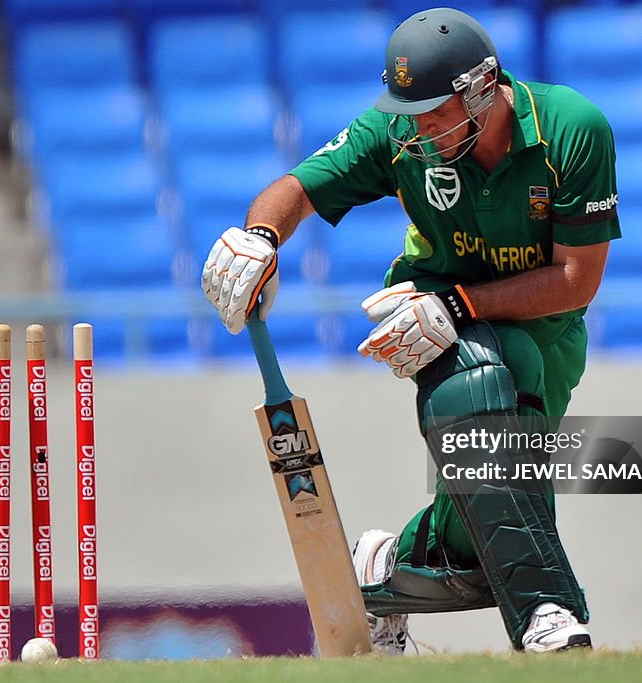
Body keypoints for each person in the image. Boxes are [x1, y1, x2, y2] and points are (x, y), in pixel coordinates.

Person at [202, 8, 619, 654]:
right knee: (480, 381)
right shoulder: (397, 132)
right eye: (407, 109)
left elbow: (576, 279)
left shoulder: (572, 130)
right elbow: (297, 189)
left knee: (490, 501)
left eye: (431, 111)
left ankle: (388, 567)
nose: (415, 128)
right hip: (440, 318)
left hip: (545, 326)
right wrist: (260, 237)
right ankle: (547, 612)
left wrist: (460, 304)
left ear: (482, 88)